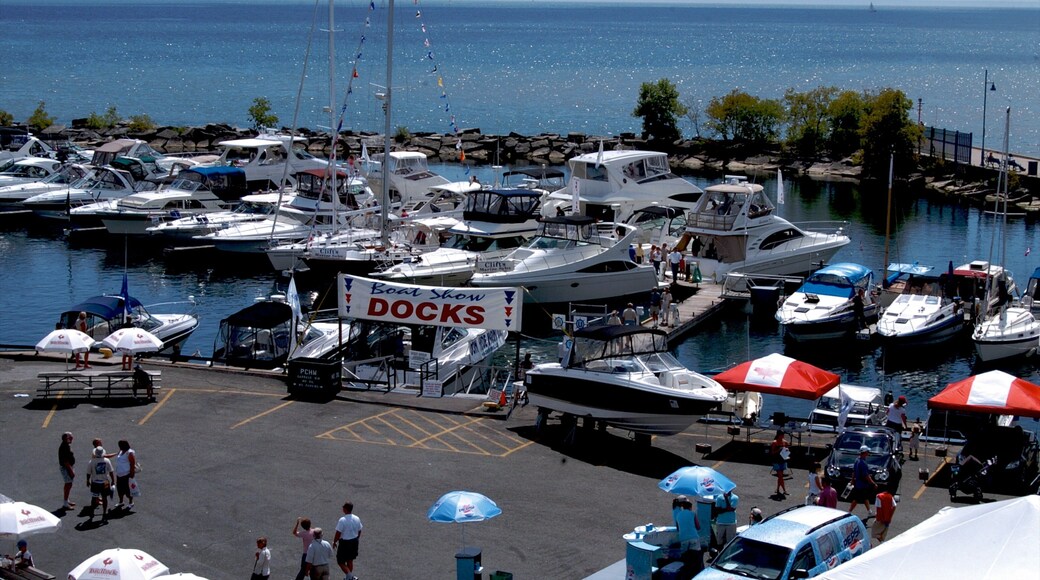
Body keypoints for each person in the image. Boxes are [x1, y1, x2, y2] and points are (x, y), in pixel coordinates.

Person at [671, 495, 703, 573]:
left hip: (683, 539)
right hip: (693, 537)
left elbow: (678, 528)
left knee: (685, 558)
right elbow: (698, 527)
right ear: (690, 507)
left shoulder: (678, 514)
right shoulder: (692, 514)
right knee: (697, 557)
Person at [333, 501, 362, 580]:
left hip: (345, 543)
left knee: (340, 561)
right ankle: (348, 577)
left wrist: (334, 542)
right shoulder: (357, 518)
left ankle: (350, 577)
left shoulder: (342, 520)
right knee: (350, 560)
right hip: (354, 541)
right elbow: (359, 530)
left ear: (345, 509)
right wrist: (357, 538)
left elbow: (338, 533)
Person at [86, 446, 115, 521]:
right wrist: (113, 480)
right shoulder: (107, 461)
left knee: (94, 498)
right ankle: (104, 512)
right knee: (104, 498)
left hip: (95, 483)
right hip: (105, 482)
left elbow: (88, 473)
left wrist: (87, 480)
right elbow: (111, 472)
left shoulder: (91, 461)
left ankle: (92, 512)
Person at [848, 445, 877, 518]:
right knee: (856, 499)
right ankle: (849, 512)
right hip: (862, 485)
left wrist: (852, 481)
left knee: (865, 498)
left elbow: (854, 472)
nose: (868, 453)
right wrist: (873, 483)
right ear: (865, 452)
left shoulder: (857, 460)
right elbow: (866, 475)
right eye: (867, 451)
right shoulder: (863, 463)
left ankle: (869, 512)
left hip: (858, 483)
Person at [113, 439, 137, 511]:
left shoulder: (129, 453)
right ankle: (121, 501)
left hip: (126, 474)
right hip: (119, 474)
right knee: (120, 489)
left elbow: (132, 464)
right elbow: (117, 455)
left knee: (128, 490)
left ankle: (131, 502)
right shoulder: (121, 451)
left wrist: (132, 474)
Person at [58, 432, 76, 509]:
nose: (72, 439)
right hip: (66, 468)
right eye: (70, 438)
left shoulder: (66, 445)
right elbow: (66, 462)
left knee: (68, 484)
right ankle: (65, 503)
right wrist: (71, 471)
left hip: (68, 467)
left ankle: (66, 500)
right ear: (67, 438)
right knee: (68, 484)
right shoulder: (64, 447)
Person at [769, 431, 789, 496]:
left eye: (783, 435)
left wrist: (786, 450)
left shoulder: (785, 442)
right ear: (779, 435)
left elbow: (787, 450)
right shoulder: (774, 443)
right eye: (782, 435)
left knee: (780, 477)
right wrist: (779, 449)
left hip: (782, 460)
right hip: (776, 461)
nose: (783, 436)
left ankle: (777, 489)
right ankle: (784, 490)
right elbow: (772, 452)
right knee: (780, 476)